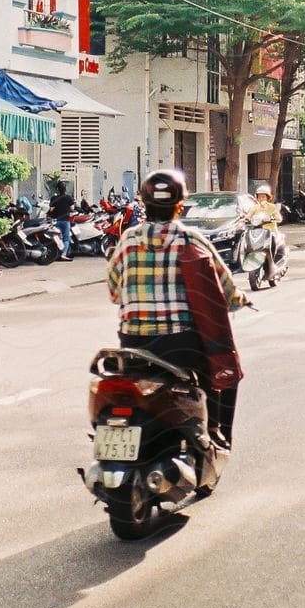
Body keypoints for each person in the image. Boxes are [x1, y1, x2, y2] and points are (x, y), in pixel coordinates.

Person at [106, 168, 248, 448]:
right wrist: (240, 299)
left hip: (133, 345)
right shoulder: (192, 240)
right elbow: (227, 291)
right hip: (181, 345)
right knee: (223, 374)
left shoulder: (128, 241)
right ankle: (217, 434)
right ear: (180, 206)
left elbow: (113, 293)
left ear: (144, 204)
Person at [248, 180, 285, 285]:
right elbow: (248, 216)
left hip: (271, 232)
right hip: (259, 232)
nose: (261, 199)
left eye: (263, 197)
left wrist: (273, 218)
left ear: (269, 198)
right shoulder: (255, 208)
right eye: (259, 197)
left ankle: (272, 262)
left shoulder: (272, 207)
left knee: (272, 240)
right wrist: (243, 219)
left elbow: (279, 218)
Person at [48, 178, 74, 260]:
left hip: (55, 221)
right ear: (65, 189)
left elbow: (51, 209)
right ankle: (63, 254)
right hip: (65, 221)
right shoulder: (69, 198)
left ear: (57, 189)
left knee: (57, 237)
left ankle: (56, 253)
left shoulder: (53, 198)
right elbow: (72, 208)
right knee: (66, 238)